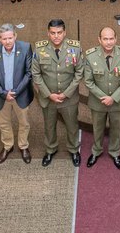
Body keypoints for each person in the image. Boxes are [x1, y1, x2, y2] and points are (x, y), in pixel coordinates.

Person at [31, 19, 83, 167]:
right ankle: (50, 149)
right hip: (48, 98)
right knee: (49, 126)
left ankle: (73, 149)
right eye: (53, 33)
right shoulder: (39, 49)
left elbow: (79, 73)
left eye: (59, 33)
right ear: (48, 33)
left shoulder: (75, 48)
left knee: (72, 125)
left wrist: (67, 93)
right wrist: (48, 94)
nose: (56, 36)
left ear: (65, 32)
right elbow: (36, 74)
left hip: (69, 97)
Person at [83, 27, 120, 170]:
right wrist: (103, 97)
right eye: (105, 39)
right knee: (97, 129)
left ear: (116, 39)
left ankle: (115, 152)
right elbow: (88, 81)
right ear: (99, 40)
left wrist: (113, 98)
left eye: (111, 39)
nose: (109, 42)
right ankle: (96, 151)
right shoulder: (91, 56)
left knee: (116, 129)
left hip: (117, 103)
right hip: (98, 103)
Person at [0, 24, 34, 164]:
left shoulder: (25, 48)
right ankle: (8, 146)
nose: (7, 41)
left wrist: (16, 92)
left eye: (10, 38)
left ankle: (23, 146)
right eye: (4, 38)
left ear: (15, 36)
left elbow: (29, 73)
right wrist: (3, 93)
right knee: (4, 124)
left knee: (24, 123)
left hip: (20, 95)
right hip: (2, 96)